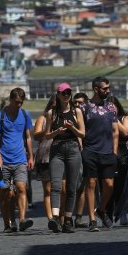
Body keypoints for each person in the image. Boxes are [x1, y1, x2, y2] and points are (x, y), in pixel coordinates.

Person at [0, 88, 34, 233]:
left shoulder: (24, 114)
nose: (19, 105)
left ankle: (22, 220)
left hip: (20, 159)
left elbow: (28, 136)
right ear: (11, 100)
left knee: (21, 188)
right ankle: (8, 223)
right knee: (7, 193)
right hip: (4, 160)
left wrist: (31, 156)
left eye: (21, 102)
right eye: (17, 102)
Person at [45, 83, 85, 233]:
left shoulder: (77, 111)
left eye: (69, 93)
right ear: (58, 95)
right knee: (55, 184)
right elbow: (47, 135)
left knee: (71, 187)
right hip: (57, 149)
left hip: (73, 148)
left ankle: (68, 219)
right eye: (64, 93)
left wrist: (72, 128)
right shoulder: (52, 113)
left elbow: (83, 134)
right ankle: (55, 218)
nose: (67, 95)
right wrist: (57, 132)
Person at [80, 76, 119, 232]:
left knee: (109, 185)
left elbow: (115, 131)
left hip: (108, 152)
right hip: (90, 151)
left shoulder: (111, 107)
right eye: (104, 88)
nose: (108, 91)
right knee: (91, 184)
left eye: (108, 88)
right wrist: (82, 149)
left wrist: (115, 151)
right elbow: (80, 132)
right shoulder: (84, 107)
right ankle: (92, 219)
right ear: (96, 89)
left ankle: (101, 209)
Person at [105, 96, 128, 225]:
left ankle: (122, 211)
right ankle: (108, 213)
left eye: (112, 105)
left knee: (121, 185)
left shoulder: (124, 117)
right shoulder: (103, 117)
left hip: (121, 153)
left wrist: (114, 117)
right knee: (107, 185)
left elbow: (126, 132)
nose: (110, 108)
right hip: (106, 152)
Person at [33, 94, 56, 222]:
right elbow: (36, 135)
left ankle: (61, 216)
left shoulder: (64, 117)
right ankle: (50, 218)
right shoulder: (42, 118)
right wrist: (48, 128)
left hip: (60, 154)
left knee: (61, 188)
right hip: (45, 156)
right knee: (47, 189)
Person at [72, 92, 89, 228]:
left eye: (80, 102)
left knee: (82, 187)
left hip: (87, 154)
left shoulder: (90, 117)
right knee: (68, 187)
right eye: (75, 102)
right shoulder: (70, 116)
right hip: (71, 153)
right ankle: (65, 217)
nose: (77, 105)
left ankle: (78, 217)